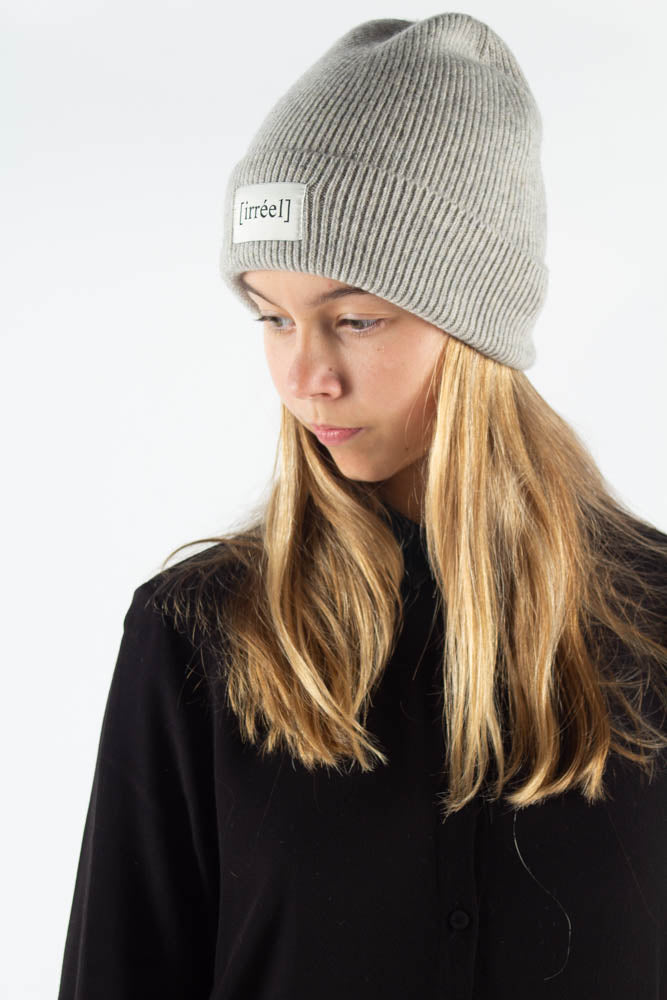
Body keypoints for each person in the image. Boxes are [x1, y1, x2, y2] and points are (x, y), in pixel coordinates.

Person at [57, 12, 667, 999]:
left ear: (478, 326)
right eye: (272, 317)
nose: (305, 376)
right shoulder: (198, 635)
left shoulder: (651, 621)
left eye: (354, 318)